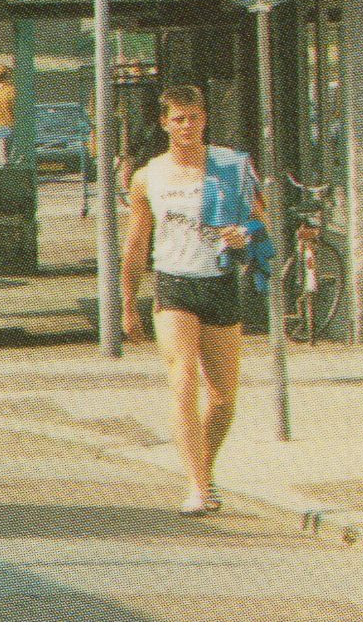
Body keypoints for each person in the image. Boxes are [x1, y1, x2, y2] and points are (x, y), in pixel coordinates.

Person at [120, 85, 267, 516]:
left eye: (194, 118)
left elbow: (261, 221)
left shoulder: (229, 167)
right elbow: (135, 243)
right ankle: (198, 486)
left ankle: (205, 468)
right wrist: (128, 302)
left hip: (219, 282)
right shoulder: (148, 176)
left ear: (205, 120)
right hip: (174, 285)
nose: (187, 126)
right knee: (183, 378)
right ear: (164, 123)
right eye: (178, 119)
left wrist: (246, 235)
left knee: (222, 398)